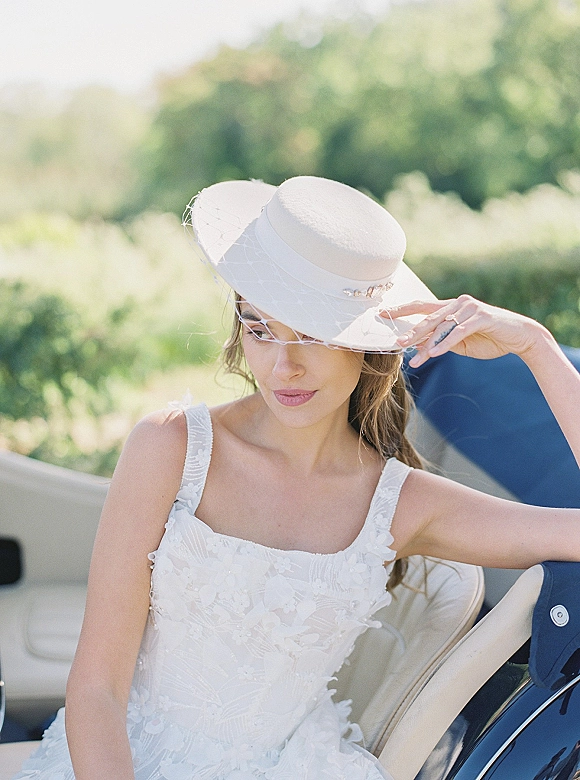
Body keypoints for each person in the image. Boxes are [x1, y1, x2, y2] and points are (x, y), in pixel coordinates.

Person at [13, 176, 580, 780]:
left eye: (311, 334)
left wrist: (538, 349)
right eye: (260, 328)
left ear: (366, 344)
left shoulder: (402, 503)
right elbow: (97, 687)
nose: (284, 365)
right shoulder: (171, 445)